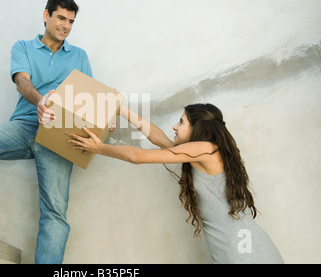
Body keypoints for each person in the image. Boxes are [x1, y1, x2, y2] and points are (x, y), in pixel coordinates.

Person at [0, 0, 93, 264]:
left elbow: (89, 98)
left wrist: (103, 119)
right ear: (46, 15)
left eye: (71, 21)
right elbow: (21, 81)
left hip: (59, 136)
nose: (65, 25)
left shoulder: (79, 56)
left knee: (55, 212)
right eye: (61, 18)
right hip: (25, 126)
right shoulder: (23, 47)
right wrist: (40, 100)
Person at [69, 103, 284, 263]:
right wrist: (122, 110)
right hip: (239, 252)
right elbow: (158, 138)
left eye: (181, 122)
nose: (174, 126)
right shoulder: (198, 153)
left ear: (197, 129)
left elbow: (138, 156)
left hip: (248, 254)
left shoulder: (205, 149)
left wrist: (99, 148)